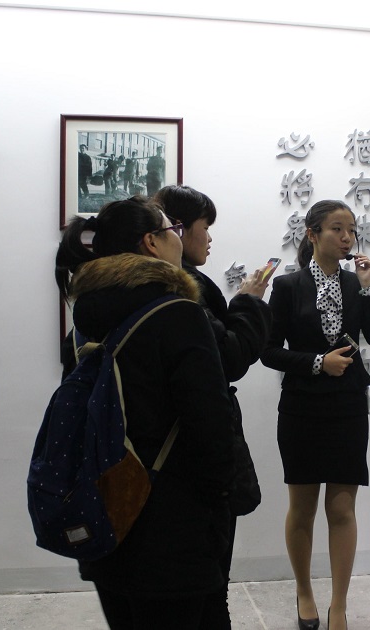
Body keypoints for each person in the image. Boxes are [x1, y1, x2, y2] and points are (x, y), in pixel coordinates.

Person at [55, 196, 236, 629]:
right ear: (151, 243)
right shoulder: (179, 314)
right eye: (173, 229)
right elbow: (211, 427)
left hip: (107, 516)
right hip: (174, 530)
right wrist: (220, 504)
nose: (180, 237)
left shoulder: (84, 320)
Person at [260, 200, 370, 630]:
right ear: (313, 234)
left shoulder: (357, 284)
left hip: (348, 407)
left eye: (351, 230)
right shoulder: (288, 286)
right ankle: (304, 591)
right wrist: (318, 362)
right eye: (337, 228)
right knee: (302, 508)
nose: (347, 237)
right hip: (301, 407)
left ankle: (339, 605)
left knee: (342, 508)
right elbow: (268, 351)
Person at [153, 184, 273, 628]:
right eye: (205, 227)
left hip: (163, 459)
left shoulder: (123, 291)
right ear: (175, 231)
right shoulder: (183, 290)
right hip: (195, 459)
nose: (209, 238)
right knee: (207, 589)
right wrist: (248, 302)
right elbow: (230, 358)